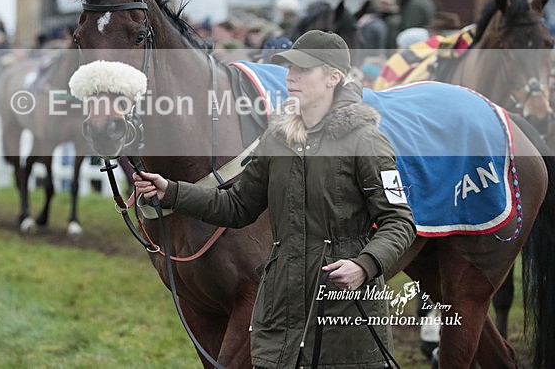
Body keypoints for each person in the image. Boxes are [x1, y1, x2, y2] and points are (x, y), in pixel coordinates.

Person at [134, 30, 416, 368]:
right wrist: (172, 191)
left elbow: (399, 221)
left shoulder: (366, 142)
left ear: (333, 78)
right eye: (290, 68)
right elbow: (237, 206)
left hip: (342, 307)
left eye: (303, 70)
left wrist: (364, 265)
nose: (290, 77)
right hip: (279, 307)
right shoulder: (277, 140)